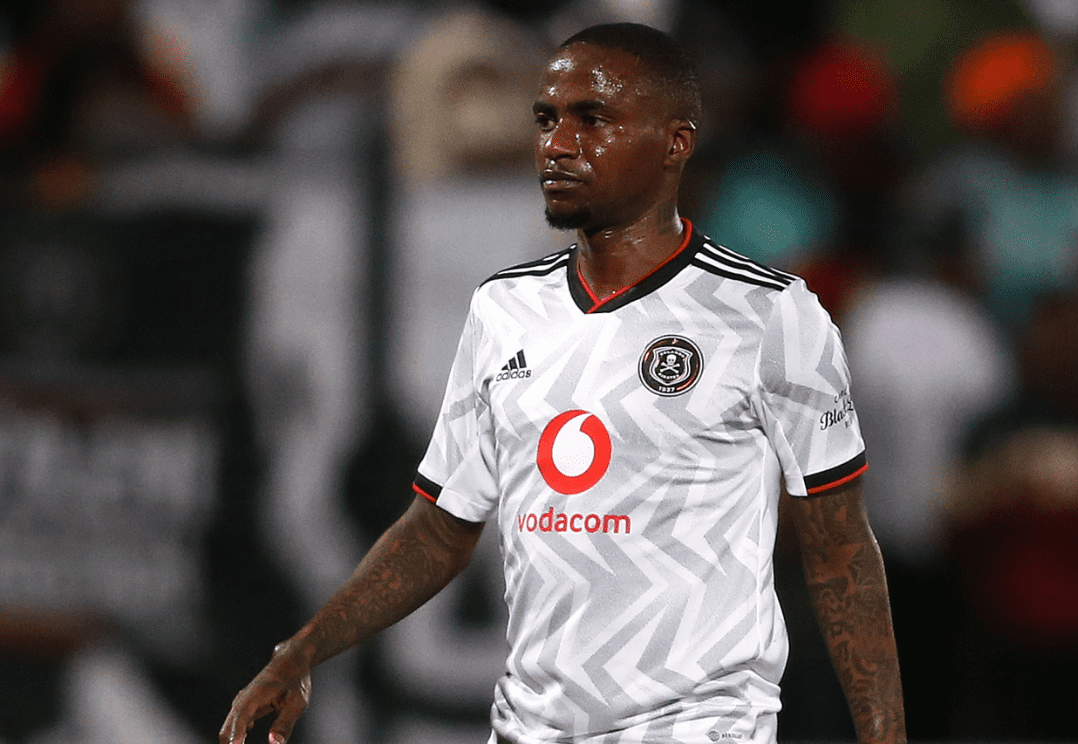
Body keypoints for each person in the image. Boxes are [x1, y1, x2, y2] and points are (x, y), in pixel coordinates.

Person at [220, 22, 906, 744]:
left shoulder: (764, 313)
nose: (561, 142)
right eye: (549, 118)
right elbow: (421, 522)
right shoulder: (499, 300)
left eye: (591, 120)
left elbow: (836, 545)